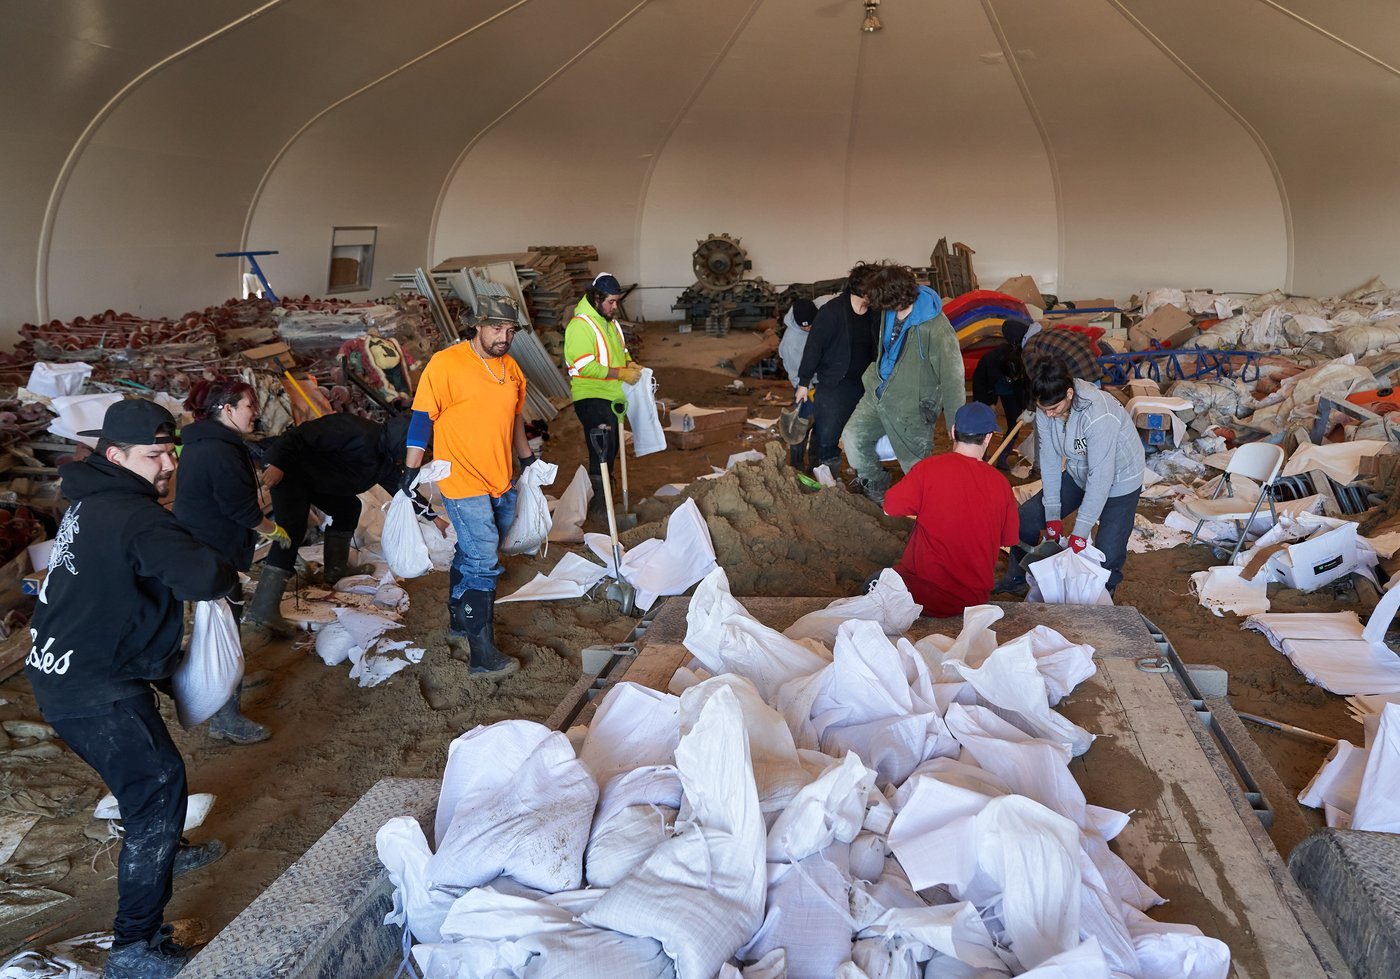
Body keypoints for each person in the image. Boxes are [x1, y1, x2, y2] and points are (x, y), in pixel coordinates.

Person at [26, 399, 235, 978]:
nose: (167, 465)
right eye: (153, 455)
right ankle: (134, 946)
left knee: (144, 779)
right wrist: (214, 559)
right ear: (115, 455)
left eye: (170, 452)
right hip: (94, 686)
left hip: (58, 666)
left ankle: (168, 851)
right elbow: (202, 576)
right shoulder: (138, 516)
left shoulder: (91, 499)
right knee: (158, 789)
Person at [405, 295, 535, 677]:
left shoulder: (511, 368)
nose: (504, 337)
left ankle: (459, 619)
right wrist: (410, 470)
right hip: (461, 481)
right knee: (483, 562)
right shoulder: (446, 364)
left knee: (475, 549)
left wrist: (527, 459)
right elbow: (420, 419)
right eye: (496, 328)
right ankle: (483, 655)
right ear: (476, 326)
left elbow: (514, 419)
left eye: (510, 330)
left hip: (501, 478)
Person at [172, 378, 288, 744]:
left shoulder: (206, 441)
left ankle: (225, 693)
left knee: (222, 626)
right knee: (223, 630)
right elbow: (241, 509)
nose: (255, 413)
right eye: (249, 405)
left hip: (205, 544)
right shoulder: (218, 452)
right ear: (227, 409)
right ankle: (225, 717)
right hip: (213, 551)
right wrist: (273, 530)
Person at [244, 411, 425, 634]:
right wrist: (278, 463)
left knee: (348, 508)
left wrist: (432, 517)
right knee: (292, 530)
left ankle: (334, 572)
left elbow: (403, 491)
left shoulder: (384, 460)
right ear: (402, 440)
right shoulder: (356, 429)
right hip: (288, 469)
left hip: (314, 480)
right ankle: (263, 607)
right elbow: (300, 435)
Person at [999, 355, 1145, 595]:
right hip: (1078, 472)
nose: (1048, 415)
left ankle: (1103, 597)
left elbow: (1100, 477)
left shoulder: (1099, 414)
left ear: (1069, 394)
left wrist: (1080, 533)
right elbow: (1049, 459)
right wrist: (1053, 515)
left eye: (1054, 409)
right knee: (1025, 518)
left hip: (1120, 479)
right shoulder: (1047, 407)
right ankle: (1019, 580)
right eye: (1043, 410)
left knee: (1108, 551)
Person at [882, 401, 1020, 616]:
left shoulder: (928, 469)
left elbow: (889, 508)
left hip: (919, 596)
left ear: (953, 432)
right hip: (972, 601)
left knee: (877, 580)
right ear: (988, 438)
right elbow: (1008, 539)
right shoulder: (1001, 484)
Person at [841, 264, 965, 503]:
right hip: (879, 390)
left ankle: (933, 508)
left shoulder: (936, 327)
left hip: (912, 403)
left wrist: (955, 419)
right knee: (853, 436)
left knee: (916, 464)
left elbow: (953, 376)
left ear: (896, 297)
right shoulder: (890, 312)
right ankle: (875, 483)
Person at [564, 273, 641, 513]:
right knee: (602, 447)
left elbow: (621, 351)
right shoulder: (580, 326)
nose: (615, 306)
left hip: (612, 396)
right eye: (611, 301)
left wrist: (630, 363)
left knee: (612, 448)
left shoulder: (610, 322)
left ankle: (607, 495)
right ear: (596, 298)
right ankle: (600, 504)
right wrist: (621, 374)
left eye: (617, 301)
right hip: (591, 396)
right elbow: (584, 366)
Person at [794, 264, 878, 475]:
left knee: (860, 431)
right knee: (827, 434)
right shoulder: (831, 312)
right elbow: (814, 347)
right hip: (835, 383)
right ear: (863, 290)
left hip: (865, 383)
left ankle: (861, 473)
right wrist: (804, 383)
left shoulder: (876, 313)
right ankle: (824, 478)